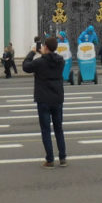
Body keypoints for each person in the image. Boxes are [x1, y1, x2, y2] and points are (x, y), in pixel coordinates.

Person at [22, 37, 67, 168]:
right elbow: (51, 59)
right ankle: (63, 157)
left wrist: (32, 52)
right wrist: (45, 53)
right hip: (57, 98)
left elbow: (26, 66)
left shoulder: (39, 62)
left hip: (44, 100)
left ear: (45, 47)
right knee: (59, 128)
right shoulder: (61, 61)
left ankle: (50, 159)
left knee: (46, 130)